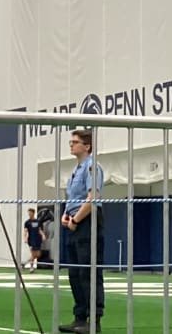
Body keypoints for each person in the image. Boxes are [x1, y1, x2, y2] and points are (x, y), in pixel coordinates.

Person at [58, 129, 105, 334]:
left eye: (75, 142)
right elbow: (73, 199)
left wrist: (76, 219)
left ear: (87, 146)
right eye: (71, 141)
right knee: (75, 273)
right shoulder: (76, 169)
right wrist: (66, 215)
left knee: (89, 272)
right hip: (74, 222)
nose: (71, 144)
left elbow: (92, 198)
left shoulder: (92, 167)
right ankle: (79, 317)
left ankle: (93, 320)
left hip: (87, 223)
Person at [23, 207, 45, 272]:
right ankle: (31, 268)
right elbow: (25, 231)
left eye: (30, 213)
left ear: (33, 213)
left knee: (38, 254)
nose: (29, 214)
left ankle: (25, 263)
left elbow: (39, 230)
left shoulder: (37, 221)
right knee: (33, 254)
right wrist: (25, 238)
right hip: (31, 240)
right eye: (28, 213)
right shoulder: (27, 222)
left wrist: (43, 235)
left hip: (38, 239)